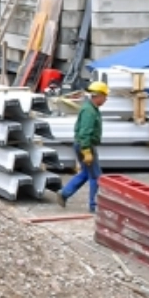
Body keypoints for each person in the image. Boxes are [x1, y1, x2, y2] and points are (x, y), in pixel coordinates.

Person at [57, 81, 107, 212]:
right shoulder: (89, 111)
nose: (106, 99)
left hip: (84, 145)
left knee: (86, 173)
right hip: (86, 146)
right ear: (99, 96)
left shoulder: (90, 108)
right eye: (105, 96)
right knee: (96, 176)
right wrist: (86, 151)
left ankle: (64, 193)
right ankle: (94, 206)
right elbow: (85, 132)